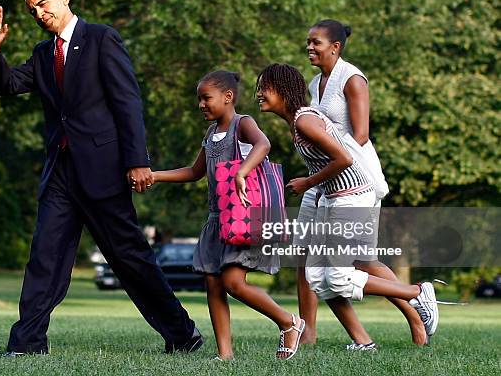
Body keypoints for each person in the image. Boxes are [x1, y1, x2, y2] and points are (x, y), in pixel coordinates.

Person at [0, 0, 201, 356]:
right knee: (44, 257)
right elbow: (9, 85)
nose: (39, 13)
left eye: (44, 4)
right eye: (33, 10)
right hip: (60, 173)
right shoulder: (42, 53)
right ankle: (27, 343)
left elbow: (127, 102)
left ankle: (182, 334)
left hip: (105, 171)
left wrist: (136, 161)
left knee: (129, 258)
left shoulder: (101, 38)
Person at [257, 63, 440, 351]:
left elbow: (344, 159)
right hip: (334, 197)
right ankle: (364, 343)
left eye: (264, 87)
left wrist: (308, 183)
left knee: (341, 276)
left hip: (352, 197)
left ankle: (416, 293)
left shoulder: (305, 121)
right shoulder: (298, 122)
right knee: (316, 276)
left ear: (282, 91)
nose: (258, 93)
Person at [152, 70, 305, 360]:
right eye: (199, 99)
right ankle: (225, 354)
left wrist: (242, 172)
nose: (201, 104)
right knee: (213, 283)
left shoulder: (242, 124)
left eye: (206, 98)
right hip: (217, 219)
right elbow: (195, 172)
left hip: (243, 216)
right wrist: (156, 176)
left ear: (228, 97)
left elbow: (264, 145)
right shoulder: (210, 134)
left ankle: (289, 321)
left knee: (234, 283)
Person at [294, 19, 428, 345]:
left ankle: (416, 310)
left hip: (356, 178)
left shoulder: (352, 79)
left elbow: (361, 134)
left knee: (361, 261)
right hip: (325, 178)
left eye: (317, 42)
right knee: (305, 252)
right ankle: (306, 332)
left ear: (335, 47)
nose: (310, 47)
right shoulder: (316, 83)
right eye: (308, 42)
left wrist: (329, 163)